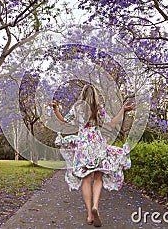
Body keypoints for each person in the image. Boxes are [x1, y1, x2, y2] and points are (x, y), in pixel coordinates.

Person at [52, 84, 135, 227]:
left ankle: (90, 215)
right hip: (97, 144)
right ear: (95, 95)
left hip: (83, 145)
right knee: (98, 177)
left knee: (85, 179)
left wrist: (55, 109)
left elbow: (64, 121)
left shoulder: (77, 108)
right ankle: (95, 205)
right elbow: (111, 124)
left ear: (82, 95)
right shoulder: (98, 108)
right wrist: (122, 110)